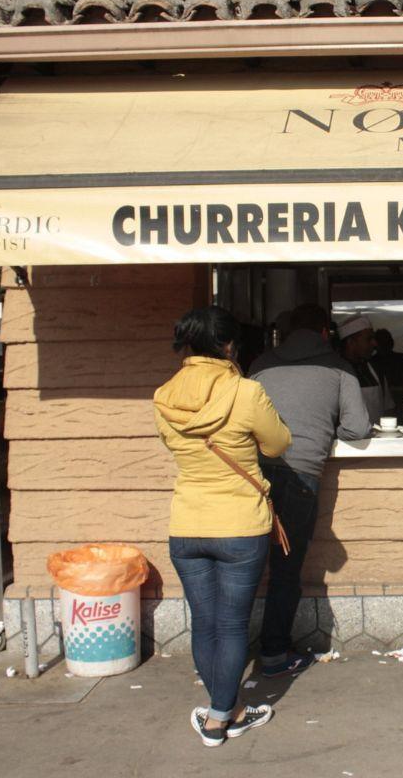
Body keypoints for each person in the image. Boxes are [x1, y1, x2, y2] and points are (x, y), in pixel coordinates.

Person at [153, 306, 292, 746]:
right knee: (232, 625)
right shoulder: (246, 391)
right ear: (230, 345)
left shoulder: (163, 396)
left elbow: (175, 446)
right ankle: (219, 719)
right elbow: (278, 443)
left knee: (205, 622)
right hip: (239, 524)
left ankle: (223, 707)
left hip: (187, 522)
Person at [249, 304, 372, 675]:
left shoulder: (260, 366)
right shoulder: (338, 368)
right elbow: (358, 429)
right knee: (286, 568)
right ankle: (273, 652)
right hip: (300, 476)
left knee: (245, 566)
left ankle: (229, 653)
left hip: (249, 476)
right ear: (324, 333)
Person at [339, 314, 393, 423]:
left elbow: (388, 408)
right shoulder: (336, 372)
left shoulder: (376, 369)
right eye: (369, 339)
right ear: (351, 342)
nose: (374, 343)